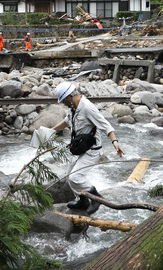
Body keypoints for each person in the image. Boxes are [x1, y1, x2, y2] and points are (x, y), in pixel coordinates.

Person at [50, 81, 124, 215]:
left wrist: (115, 141)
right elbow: (67, 121)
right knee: (69, 175)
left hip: (91, 151)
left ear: (70, 96)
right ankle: (82, 200)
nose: (63, 103)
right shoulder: (73, 107)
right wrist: (51, 130)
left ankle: (96, 198)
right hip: (79, 148)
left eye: (64, 100)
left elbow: (105, 124)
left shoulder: (87, 107)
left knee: (75, 178)